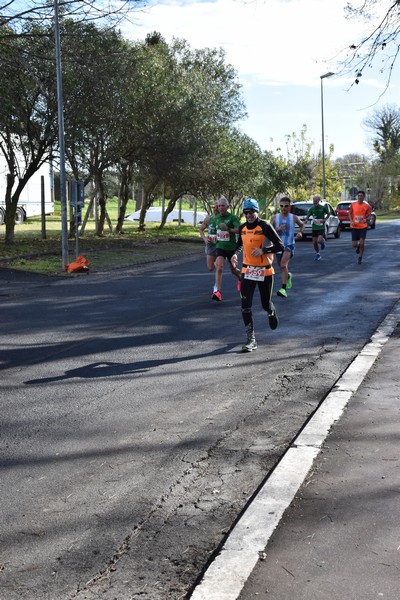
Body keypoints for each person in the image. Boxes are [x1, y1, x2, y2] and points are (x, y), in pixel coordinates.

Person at [231, 198, 284, 352]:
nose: (249, 215)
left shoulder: (265, 226)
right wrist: (235, 254)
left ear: (257, 211)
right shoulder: (242, 228)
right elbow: (239, 245)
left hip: (265, 271)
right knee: (245, 306)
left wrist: (264, 250)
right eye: (246, 212)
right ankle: (251, 338)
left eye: (252, 212)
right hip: (247, 270)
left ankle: (271, 310)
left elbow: (280, 245)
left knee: (264, 303)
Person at [270, 197, 304, 298]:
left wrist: (300, 232)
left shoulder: (294, 217)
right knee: (282, 267)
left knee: (283, 265)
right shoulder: (274, 218)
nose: (283, 208)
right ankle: (288, 276)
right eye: (281, 206)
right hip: (278, 245)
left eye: (286, 206)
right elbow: (269, 231)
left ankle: (283, 289)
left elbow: (302, 225)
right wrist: (277, 228)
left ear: (289, 206)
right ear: (279, 206)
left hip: (289, 244)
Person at [212, 196, 241, 301]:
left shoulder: (232, 217)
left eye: (223, 206)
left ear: (227, 207)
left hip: (231, 247)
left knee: (233, 270)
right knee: (219, 267)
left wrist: (228, 229)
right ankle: (218, 292)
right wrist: (214, 237)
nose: (220, 208)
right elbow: (215, 231)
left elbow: (239, 230)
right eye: (219, 206)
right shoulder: (216, 218)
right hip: (220, 246)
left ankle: (241, 277)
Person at [305, 195, 329, 261]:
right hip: (314, 227)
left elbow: (328, 214)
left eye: (316, 201)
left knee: (318, 241)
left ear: (318, 201)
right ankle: (318, 254)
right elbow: (308, 216)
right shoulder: (312, 209)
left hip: (321, 226)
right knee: (314, 242)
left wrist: (325, 219)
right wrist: (306, 220)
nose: (314, 202)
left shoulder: (322, 207)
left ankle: (322, 242)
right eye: (313, 201)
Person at [349, 190, 371, 264]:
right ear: (357, 197)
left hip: (363, 227)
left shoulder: (366, 206)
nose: (360, 197)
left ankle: (360, 257)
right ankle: (358, 247)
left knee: (362, 243)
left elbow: (369, 215)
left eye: (361, 196)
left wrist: (366, 219)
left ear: (364, 197)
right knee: (354, 245)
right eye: (359, 196)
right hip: (354, 226)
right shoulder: (353, 205)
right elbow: (349, 213)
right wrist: (351, 221)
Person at [199, 199, 219, 272]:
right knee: (210, 268)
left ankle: (218, 283)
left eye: (217, 207)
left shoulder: (225, 219)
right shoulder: (208, 219)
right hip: (211, 244)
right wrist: (204, 239)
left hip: (221, 244)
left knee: (219, 266)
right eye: (214, 207)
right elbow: (201, 230)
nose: (216, 208)